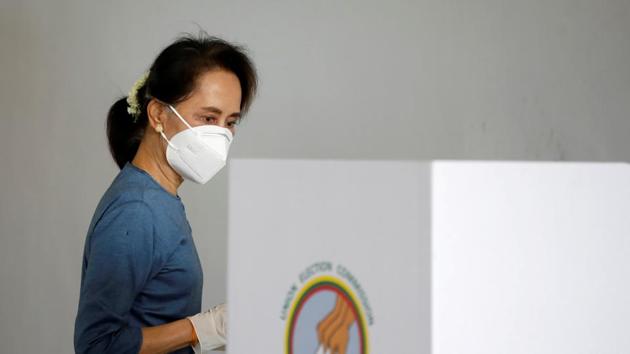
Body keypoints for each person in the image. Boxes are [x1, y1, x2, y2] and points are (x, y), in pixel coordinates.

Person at [73, 32, 258, 354]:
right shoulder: (137, 209)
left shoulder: (158, 198)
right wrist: (204, 328)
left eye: (230, 122)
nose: (221, 135)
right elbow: (96, 346)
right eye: (208, 118)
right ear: (158, 114)